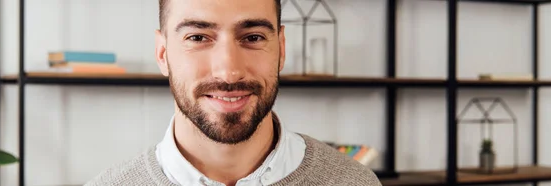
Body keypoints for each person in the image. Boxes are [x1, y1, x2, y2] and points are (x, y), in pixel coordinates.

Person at [85, 0, 381, 185]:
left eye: (252, 37)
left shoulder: (353, 183)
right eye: (198, 37)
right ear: (162, 53)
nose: (228, 71)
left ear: (281, 49)